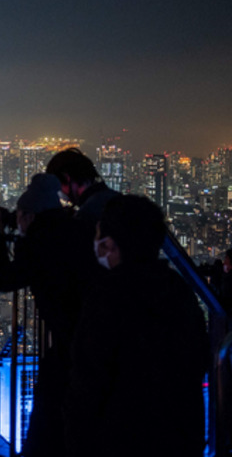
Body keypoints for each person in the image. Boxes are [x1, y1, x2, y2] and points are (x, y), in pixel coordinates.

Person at [65, 195, 209, 457]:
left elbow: (89, 381)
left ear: (110, 244)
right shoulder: (178, 291)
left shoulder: (107, 296)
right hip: (179, 437)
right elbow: (199, 360)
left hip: (121, 438)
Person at [0, 174, 99, 457]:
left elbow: (1, 279)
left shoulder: (41, 241)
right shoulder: (74, 229)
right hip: (93, 338)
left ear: (30, 215)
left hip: (67, 344)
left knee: (50, 417)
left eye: (21, 217)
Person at [45, 147, 119, 226]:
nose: (61, 194)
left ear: (66, 178)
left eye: (58, 186)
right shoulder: (115, 199)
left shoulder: (87, 214)